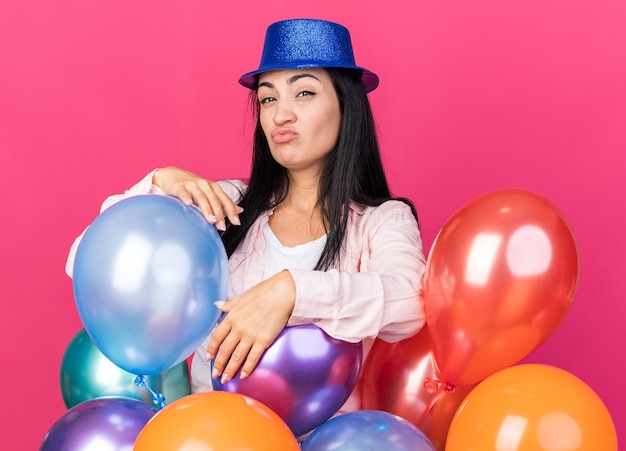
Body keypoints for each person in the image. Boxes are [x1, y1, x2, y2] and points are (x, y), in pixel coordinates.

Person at [66, 18, 426, 414]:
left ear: (347, 106)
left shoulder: (381, 221)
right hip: (209, 435)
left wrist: (292, 291)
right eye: (268, 98)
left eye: (304, 93)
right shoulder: (225, 205)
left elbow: (412, 302)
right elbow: (85, 259)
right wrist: (159, 181)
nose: (280, 115)